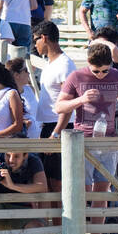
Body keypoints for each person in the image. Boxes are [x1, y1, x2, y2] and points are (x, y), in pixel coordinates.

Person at [53, 44, 118, 234]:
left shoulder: (117, 76)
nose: (101, 75)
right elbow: (58, 106)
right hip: (83, 141)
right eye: (96, 71)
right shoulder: (76, 77)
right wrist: (81, 99)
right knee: (83, 192)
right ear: (88, 64)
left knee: (101, 193)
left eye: (105, 70)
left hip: (108, 140)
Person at [32, 20, 76, 190]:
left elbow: (68, 102)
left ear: (44, 38)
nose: (34, 44)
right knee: (47, 183)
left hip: (59, 127)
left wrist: (56, 133)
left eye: (35, 40)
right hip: (48, 126)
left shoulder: (64, 65)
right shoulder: (51, 63)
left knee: (56, 184)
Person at [6, 57, 41, 139]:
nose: (28, 73)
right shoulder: (8, 94)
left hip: (37, 139)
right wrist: (24, 123)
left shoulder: (30, 89)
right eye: (25, 70)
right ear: (16, 75)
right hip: (21, 141)